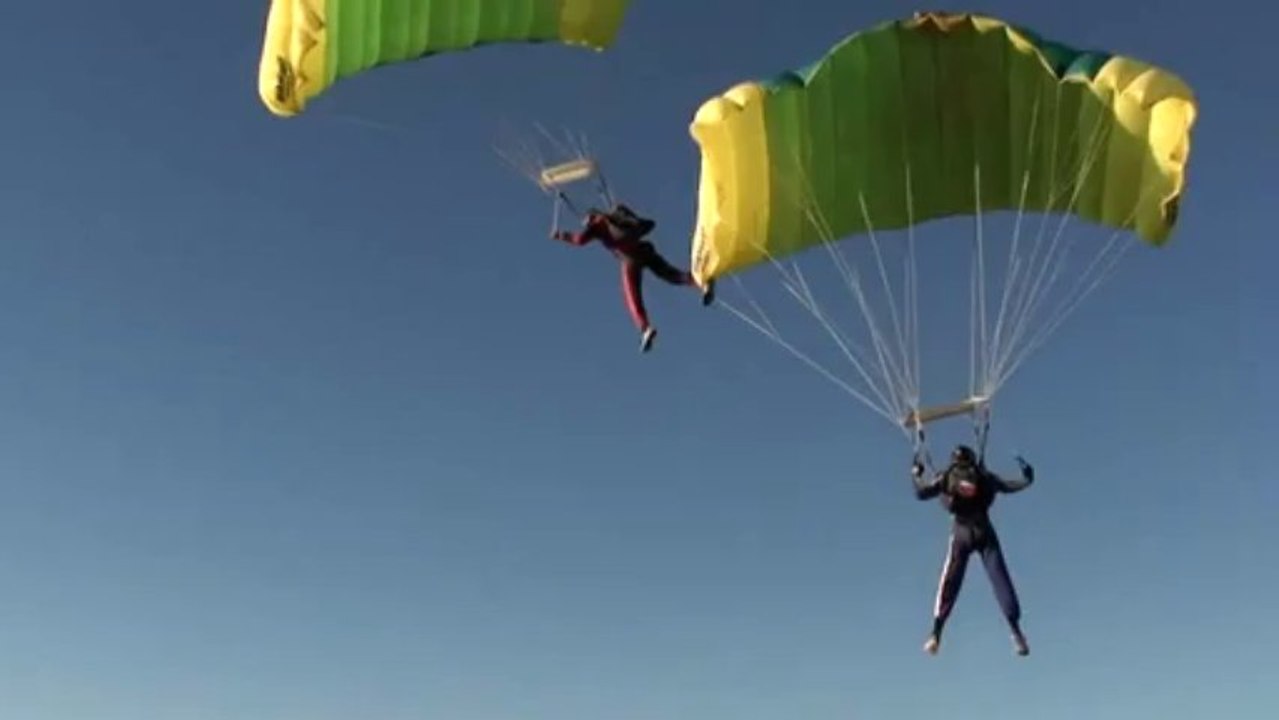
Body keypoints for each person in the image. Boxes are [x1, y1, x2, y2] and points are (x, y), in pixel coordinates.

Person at [911, 444, 1035, 656]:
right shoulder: (985, 477)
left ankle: (936, 634)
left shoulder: (946, 477)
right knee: (1000, 578)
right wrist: (1027, 474)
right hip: (984, 531)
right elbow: (1014, 485)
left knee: (950, 580)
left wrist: (916, 474)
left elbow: (921, 494)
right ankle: (1017, 633)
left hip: (961, 533)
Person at [553, 203, 714, 352]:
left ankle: (645, 328)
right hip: (643, 249)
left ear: (590, 218)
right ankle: (701, 283)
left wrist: (561, 235)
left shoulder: (596, 226)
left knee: (633, 297)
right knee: (670, 274)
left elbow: (579, 240)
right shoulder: (613, 217)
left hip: (630, 260)